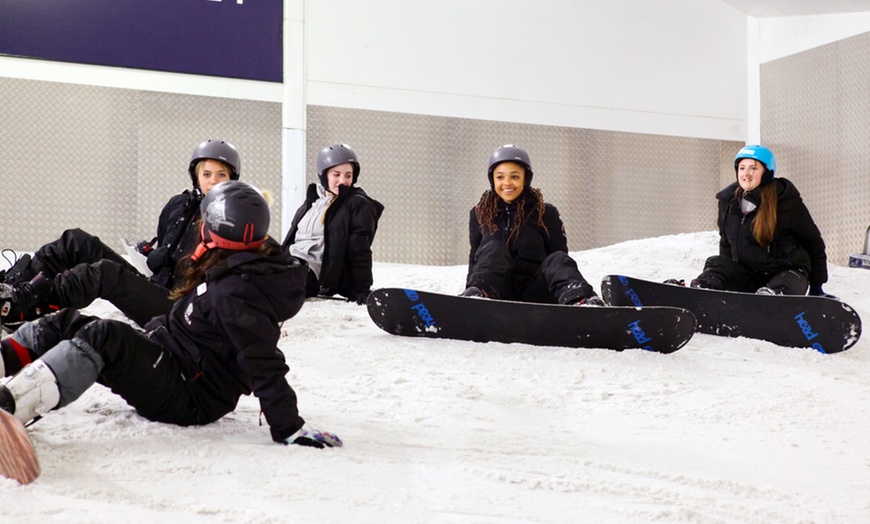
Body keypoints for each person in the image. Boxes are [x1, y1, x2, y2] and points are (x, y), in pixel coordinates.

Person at [0, 181, 341, 448]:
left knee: (105, 337)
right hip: (174, 357)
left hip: (189, 394)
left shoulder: (238, 291)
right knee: (69, 324)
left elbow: (262, 360)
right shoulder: (235, 267)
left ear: (216, 232)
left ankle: (13, 405)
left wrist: (288, 427)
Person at [0, 139, 240, 330]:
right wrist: (149, 253)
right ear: (196, 176)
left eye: (221, 175)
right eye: (207, 174)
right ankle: (12, 291)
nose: (212, 181)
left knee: (105, 273)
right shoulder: (179, 204)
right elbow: (163, 247)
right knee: (77, 241)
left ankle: (32, 308)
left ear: (232, 179)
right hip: (154, 288)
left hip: (178, 309)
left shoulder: (234, 219)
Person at [463, 145, 603, 306]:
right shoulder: (479, 213)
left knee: (557, 259)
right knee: (493, 248)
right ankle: (477, 299)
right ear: (492, 179)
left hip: (537, 294)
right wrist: (471, 290)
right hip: (497, 294)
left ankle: (581, 302)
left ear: (525, 178)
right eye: (500, 177)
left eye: (514, 177)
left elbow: (559, 258)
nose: (507, 183)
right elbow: (475, 259)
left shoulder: (545, 212)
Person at [687, 144, 828, 296]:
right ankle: (701, 292)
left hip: (786, 272)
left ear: (767, 172)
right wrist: (723, 276)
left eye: (753, 168)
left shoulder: (785, 201)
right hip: (748, 275)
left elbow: (812, 241)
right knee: (717, 263)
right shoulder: (728, 202)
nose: (746, 174)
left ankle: (771, 298)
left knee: (787, 280)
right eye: (742, 168)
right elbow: (726, 243)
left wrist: (816, 285)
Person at [282, 143, 384, 305]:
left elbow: (360, 250)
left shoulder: (357, 204)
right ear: (324, 175)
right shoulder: (314, 200)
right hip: (288, 261)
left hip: (311, 272)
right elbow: (292, 238)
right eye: (336, 175)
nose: (342, 181)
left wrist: (361, 289)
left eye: (348, 176)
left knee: (278, 285)